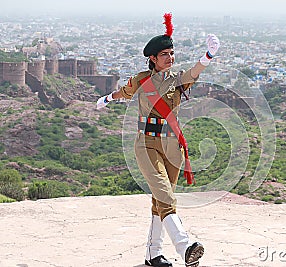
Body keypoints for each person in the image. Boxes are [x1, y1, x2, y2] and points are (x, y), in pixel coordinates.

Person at [96, 13, 220, 267]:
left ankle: (153, 254)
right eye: (165, 54)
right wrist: (108, 98)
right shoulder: (142, 79)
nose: (170, 58)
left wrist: (208, 56)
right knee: (166, 198)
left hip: (173, 146)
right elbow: (125, 91)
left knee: (160, 201)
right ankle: (185, 247)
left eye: (172, 53)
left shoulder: (177, 80)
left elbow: (194, 73)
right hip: (147, 143)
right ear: (152, 58)